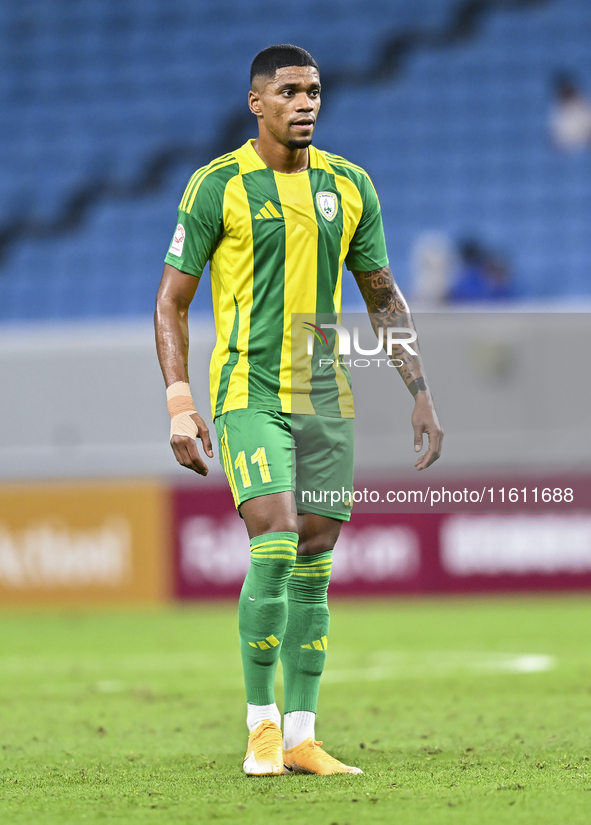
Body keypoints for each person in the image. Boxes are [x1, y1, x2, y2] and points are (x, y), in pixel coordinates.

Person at [154, 44, 443, 777]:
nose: (306, 102)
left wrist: (419, 389)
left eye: (314, 90)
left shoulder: (349, 185)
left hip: (323, 395)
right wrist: (180, 404)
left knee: (315, 561)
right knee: (276, 539)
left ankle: (302, 736)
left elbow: (382, 294)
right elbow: (171, 302)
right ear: (257, 102)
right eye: (289, 91)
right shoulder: (216, 185)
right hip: (248, 390)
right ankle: (260, 727)